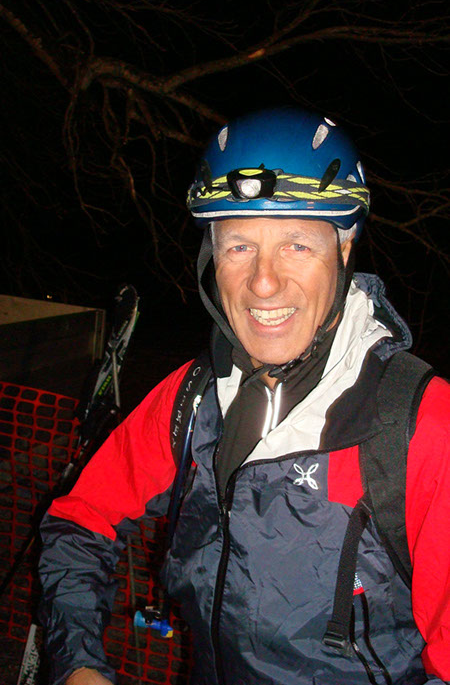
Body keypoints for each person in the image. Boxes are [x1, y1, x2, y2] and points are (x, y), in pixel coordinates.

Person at [39, 107, 450, 685]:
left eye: (297, 245)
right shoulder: (193, 398)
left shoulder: (421, 427)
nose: (263, 281)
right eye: (238, 246)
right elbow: (79, 522)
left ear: (344, 251)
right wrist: (78, 664)